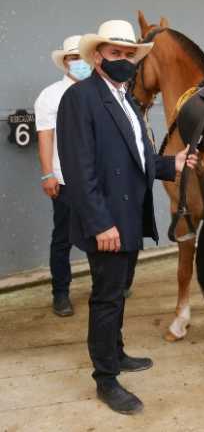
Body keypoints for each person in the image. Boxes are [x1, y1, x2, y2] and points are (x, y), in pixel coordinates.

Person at [56, 20, 198, 415]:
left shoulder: (128, 101)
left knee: (118, 293)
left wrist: (174, 163)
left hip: (131, 216)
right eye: (115, 53)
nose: (123, 60)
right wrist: (100, 223)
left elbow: (139, 160)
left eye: (128, 55)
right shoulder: (81, 98)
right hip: (108, 221)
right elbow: (78, 169)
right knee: (105, 298)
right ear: (97, 56)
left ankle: (116, 354)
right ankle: (105, 379)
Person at [34, 35, 92, 317]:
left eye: (83, 56)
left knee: (103, 233)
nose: (79, 62)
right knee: (63, 238)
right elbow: (45, 138)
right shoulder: (49, 95)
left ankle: (107, 286)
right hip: (65, 180)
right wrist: (47, 174)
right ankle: (60, 293)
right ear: (64, 62)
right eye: (73, 57)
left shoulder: (104, 91)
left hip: (99, 180)